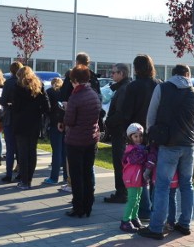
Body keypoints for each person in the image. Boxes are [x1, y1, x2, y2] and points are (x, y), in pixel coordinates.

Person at [139, 64, 194, 240]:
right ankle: (185, 223)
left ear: (173, 75)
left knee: (162, 186)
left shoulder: (162, 88)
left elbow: (151, 114)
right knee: (187, 185)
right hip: (189, 144)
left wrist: (152, 134)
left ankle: (156, 227)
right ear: (187, 74)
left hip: (168, 143)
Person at [120, 54, 159, 220]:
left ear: (136, 68)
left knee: (139, 173)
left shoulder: (133, 87)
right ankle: (155, 208)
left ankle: (144, 210)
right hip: (155, 134)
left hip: (137, 135)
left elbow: (126, 113)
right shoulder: (159, 85)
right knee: (154, 172)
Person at [62, 64, 101, 217]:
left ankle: (78, 207)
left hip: (76, 141)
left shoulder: (75, 97)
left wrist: (65, 111)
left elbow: (70, 120)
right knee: (87, 173)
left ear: (76, 80)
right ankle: (88, 206)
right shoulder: (93, 94)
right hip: (91, 139)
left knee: (76, 176)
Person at [11, 66, 50, 189]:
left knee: (22, 152)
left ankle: (24, 180)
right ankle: (29, 179)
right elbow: (46, 106)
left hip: (21, 123)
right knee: (32, 151)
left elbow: (16, 107)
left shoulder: (17, 88)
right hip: (34, 123)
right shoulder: (39, 86)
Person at [102, 63, 132, 204]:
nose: (112, 75)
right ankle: (121, 191)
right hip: (119, 131)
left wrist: (108, 122)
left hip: (119, 132)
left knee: (119, 163)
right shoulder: (122, 88)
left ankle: (122, 192)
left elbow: (121, 114)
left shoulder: (124, 89)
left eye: (114, 73)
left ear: (122, 74)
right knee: (119, 163)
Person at [120, 123, 149, 233]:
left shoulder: (141, 148)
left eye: (140, 136)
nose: (138, 138)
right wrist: (147, 152)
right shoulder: (131, 149)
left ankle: (134, 217)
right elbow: (136, 159)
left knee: (137, 200)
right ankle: (125, 221)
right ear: (130, 137)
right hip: (131, 178)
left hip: (139, 179)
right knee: (132, 200)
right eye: (135, 136)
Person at [0, 61, 23, 183]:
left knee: (10, 148)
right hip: (21, 119)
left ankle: (8, 174)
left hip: (9, 117)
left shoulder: (8, 83)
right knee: (20, 147)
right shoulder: (24, 83)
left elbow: (4, 101)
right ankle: (20, 172)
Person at [44, 77, 67, 185]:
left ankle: (54, 177)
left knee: (56, 151)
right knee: (64, 151)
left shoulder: (49, 92)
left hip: (54, 123)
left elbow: (47, 108)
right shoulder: (64, 92)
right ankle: (66, 177)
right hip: (65, 123)